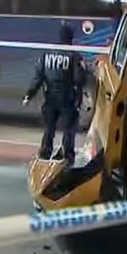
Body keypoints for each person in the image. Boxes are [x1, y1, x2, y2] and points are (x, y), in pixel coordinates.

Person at [23, 24, 85, 163]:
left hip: (50, 98)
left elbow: (38, 77)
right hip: (67, 98)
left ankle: (45, 152)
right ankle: (67, 155)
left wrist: (29, 94)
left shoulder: (47, 54)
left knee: (49, 127)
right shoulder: (74, 55)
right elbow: (79, 79)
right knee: (69, 128)